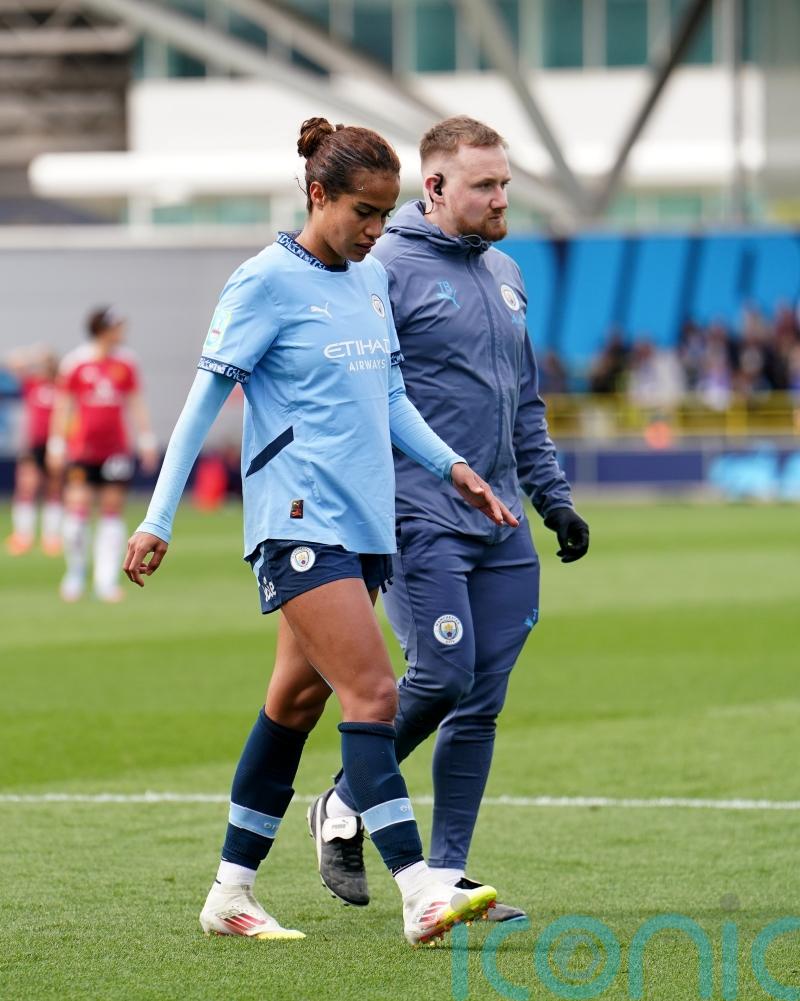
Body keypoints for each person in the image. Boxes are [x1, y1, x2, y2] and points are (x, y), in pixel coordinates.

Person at [123, 117, 519, 947]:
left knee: (293, 705)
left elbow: (390, 400)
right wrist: (159, 515)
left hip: (366, 524)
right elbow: (203, 404)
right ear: (317, 195)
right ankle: (421, 891)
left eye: (384, 213)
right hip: (298, 522)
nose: (377, 231)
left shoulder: (370, 282)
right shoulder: (263, 282)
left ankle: (230, 891)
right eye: (362, 213)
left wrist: (453, 468)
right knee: (374, 692)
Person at [307, 116, 590, 920]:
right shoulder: (383, 267)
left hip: (502, 523)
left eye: (506, 183)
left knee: (482, 699)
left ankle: (449, 871)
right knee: (442, 676)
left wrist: (554, 497)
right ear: (434, 188)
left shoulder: (506, 271)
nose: (503, 198)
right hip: (417, 511)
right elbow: (359, 394)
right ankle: (341, 800)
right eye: (485, 185)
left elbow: (522, 404)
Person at [47, 308, 157, 602]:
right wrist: (56, 444)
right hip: (82, 449)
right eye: (117, 326)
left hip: (115, 450)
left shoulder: (126, 362)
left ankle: (105, 579)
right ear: (103, 329)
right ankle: (75, 572)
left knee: (111, 511)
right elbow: (64, 405)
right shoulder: (76, 363)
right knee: (78, 510)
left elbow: (135, 402)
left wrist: (146, 439)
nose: (122, 331)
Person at [3, 346, 63, 557]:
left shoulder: (62, 386)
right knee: (26, 488)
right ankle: (23, 536)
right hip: (33, 444)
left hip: (55, 443)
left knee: (53, 489)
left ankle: (52, 537)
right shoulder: (32, 384)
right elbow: (12, 363)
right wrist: (32, 357)